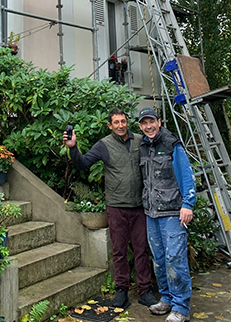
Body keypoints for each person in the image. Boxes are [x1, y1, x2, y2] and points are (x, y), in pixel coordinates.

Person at [63, 109, 156, 309]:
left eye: (123, 121)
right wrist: (73, 147)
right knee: (119, 251)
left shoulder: (141, 140)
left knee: (141, 250)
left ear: (127, 122)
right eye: (116, 122)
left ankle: (145, 291)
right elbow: (83, 163)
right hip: (116, 207)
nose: (121, 125)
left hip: (139, 206)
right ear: (109, 125)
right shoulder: (104, 145)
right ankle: (121, 290)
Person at [138, 106, 196, 322]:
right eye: (144, 123)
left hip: (173, 212)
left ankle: (181, 307)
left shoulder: (172, 144)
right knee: (160, 259)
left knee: (175, 258)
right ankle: (167, 299)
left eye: (151, 121)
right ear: (141, 126)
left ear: (159, 122)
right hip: (152, 213)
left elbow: (187, 176)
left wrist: (188, 204)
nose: (148, 126)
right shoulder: (143, 147)